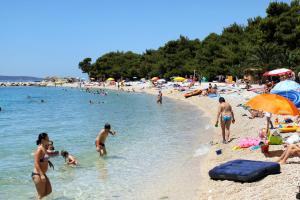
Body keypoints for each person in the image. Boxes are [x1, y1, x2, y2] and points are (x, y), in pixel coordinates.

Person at [32, 133, 54, 199]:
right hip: (38, 174)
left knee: (48, 191)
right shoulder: (39, 149)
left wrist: (48, 162)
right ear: (42, 140)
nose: (49, 140)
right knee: (41, 195)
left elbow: (42, 159)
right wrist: (41, 175)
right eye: (47, 139)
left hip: (42, 173)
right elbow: (36, 163)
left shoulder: (44, 148)